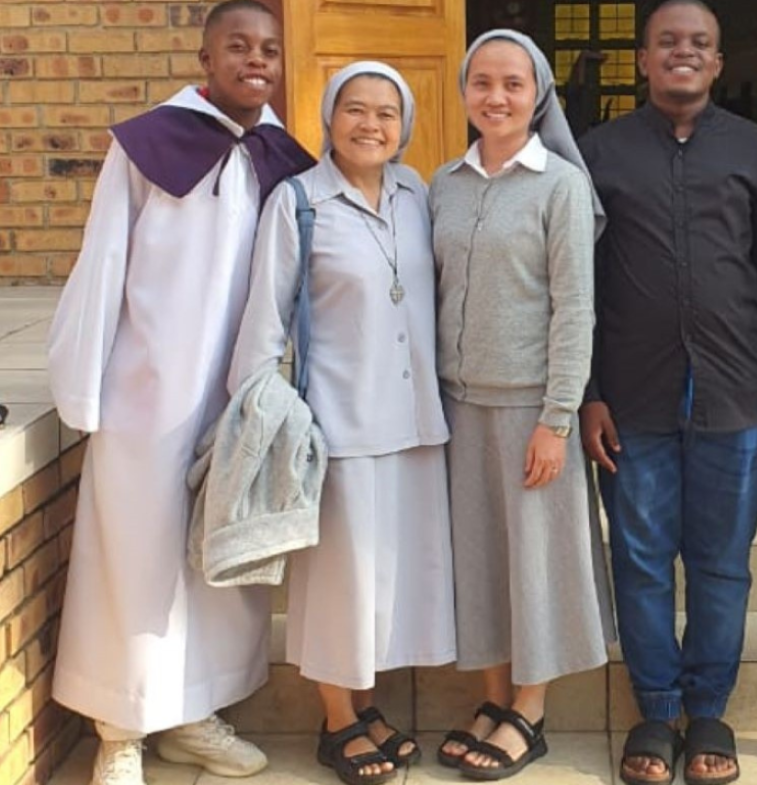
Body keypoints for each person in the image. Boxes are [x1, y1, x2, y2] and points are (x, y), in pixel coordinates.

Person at [45, 2, 314, 784]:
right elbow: (103, 261)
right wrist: (83, 388)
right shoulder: (148, 145)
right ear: (205, 58)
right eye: (238, 46)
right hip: (147, 390)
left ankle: (193, 714)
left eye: (269, 49)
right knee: (135, 557)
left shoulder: (279, 157)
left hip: (237, 391)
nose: (255, 60)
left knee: (214, 559)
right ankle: (121, 729)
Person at [578, 2, 757, 783]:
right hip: (629, 397)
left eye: (699, 43)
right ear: (643, 59)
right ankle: (655, 708)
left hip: (734, 391)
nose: (684, 52)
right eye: (668, 41)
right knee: (640, 558)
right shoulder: (599, 153)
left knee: (722, 562)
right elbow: (579, 286)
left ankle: (709, 707)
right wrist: (588, 390)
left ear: (717, 63)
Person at [228, 61, 455, 785]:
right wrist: (264, 413)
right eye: (355, 109)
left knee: (387, 580)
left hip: (417, 421)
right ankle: (335, 722)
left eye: (387, 112)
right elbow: (264, 319)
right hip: (339, 423)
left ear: (404, 125)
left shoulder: (417, 193)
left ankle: (363, 703)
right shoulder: (298, 202)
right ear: (329, 117)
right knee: (339, 583)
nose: (370, 124)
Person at [430, 28, 614, 782]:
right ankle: (493, 696)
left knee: (534, 565)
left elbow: (576, 309)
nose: (496, 97)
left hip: (530, 410)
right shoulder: (443, 182)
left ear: (537, 95)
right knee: (478, 560)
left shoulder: (559, 185)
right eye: (482, 82)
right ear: (464, 91)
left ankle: (529, 711)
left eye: (513, 83)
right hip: (458, 405)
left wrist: (556, 417)